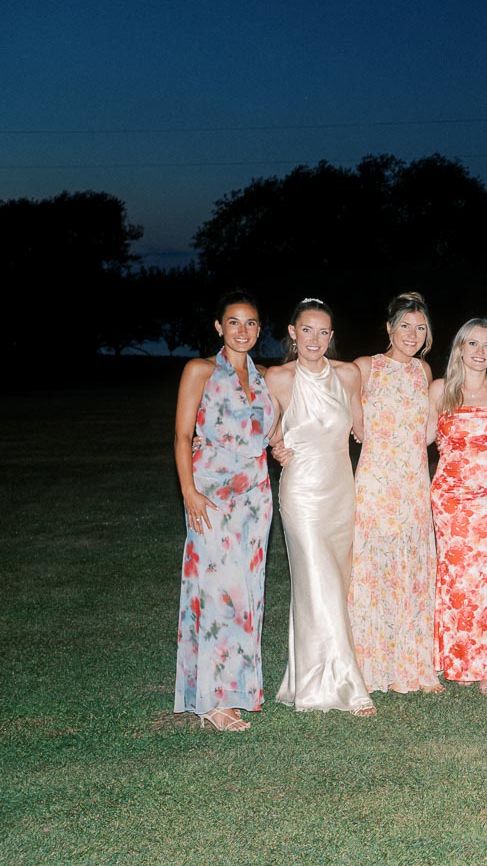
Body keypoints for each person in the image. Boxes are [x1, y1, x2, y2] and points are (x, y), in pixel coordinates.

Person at [266, 298, 375, 716]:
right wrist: (270, 444)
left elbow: (363, 427)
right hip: (303, 495)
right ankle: (345, 686)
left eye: (323, 332)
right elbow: (260, 427)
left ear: (332, 336)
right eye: (306, 330)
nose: (315, 339)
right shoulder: (278, 378)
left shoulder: (347, 374)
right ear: (293, 333)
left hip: (340, 492)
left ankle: (304, 680)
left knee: (334, 584)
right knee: (319, 582)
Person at [173, 289, 276, 732]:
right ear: (219, 326)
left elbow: (274, 430)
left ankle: (240, 691)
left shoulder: (267, 376)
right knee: (217, 592)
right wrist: (190, 493)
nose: (243, 330)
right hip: (211, 494)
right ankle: (213, 699)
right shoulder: (199, 370)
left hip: (256, 497)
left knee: (248, 594)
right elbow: (181, 437)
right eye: (233, 322)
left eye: (251, 323)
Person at [347, 292, 441, 695]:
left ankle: (413, 665)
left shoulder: (424, 372)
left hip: (414, 482)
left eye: (420, 328)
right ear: (388, 328)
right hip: (376, 481)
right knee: (374, 568)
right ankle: (370, 665)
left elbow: (432, 430)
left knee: (412, 571)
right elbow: (342, 416)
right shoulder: (364, 368)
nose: (412, 334)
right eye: (404, 326)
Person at [429, 318, 487, 697]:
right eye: (472, 344)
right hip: (453, 503)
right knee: (456, 582)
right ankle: (449, 659)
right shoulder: (440, 391)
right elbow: (417, 440)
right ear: (459, 349)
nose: (480, 353)